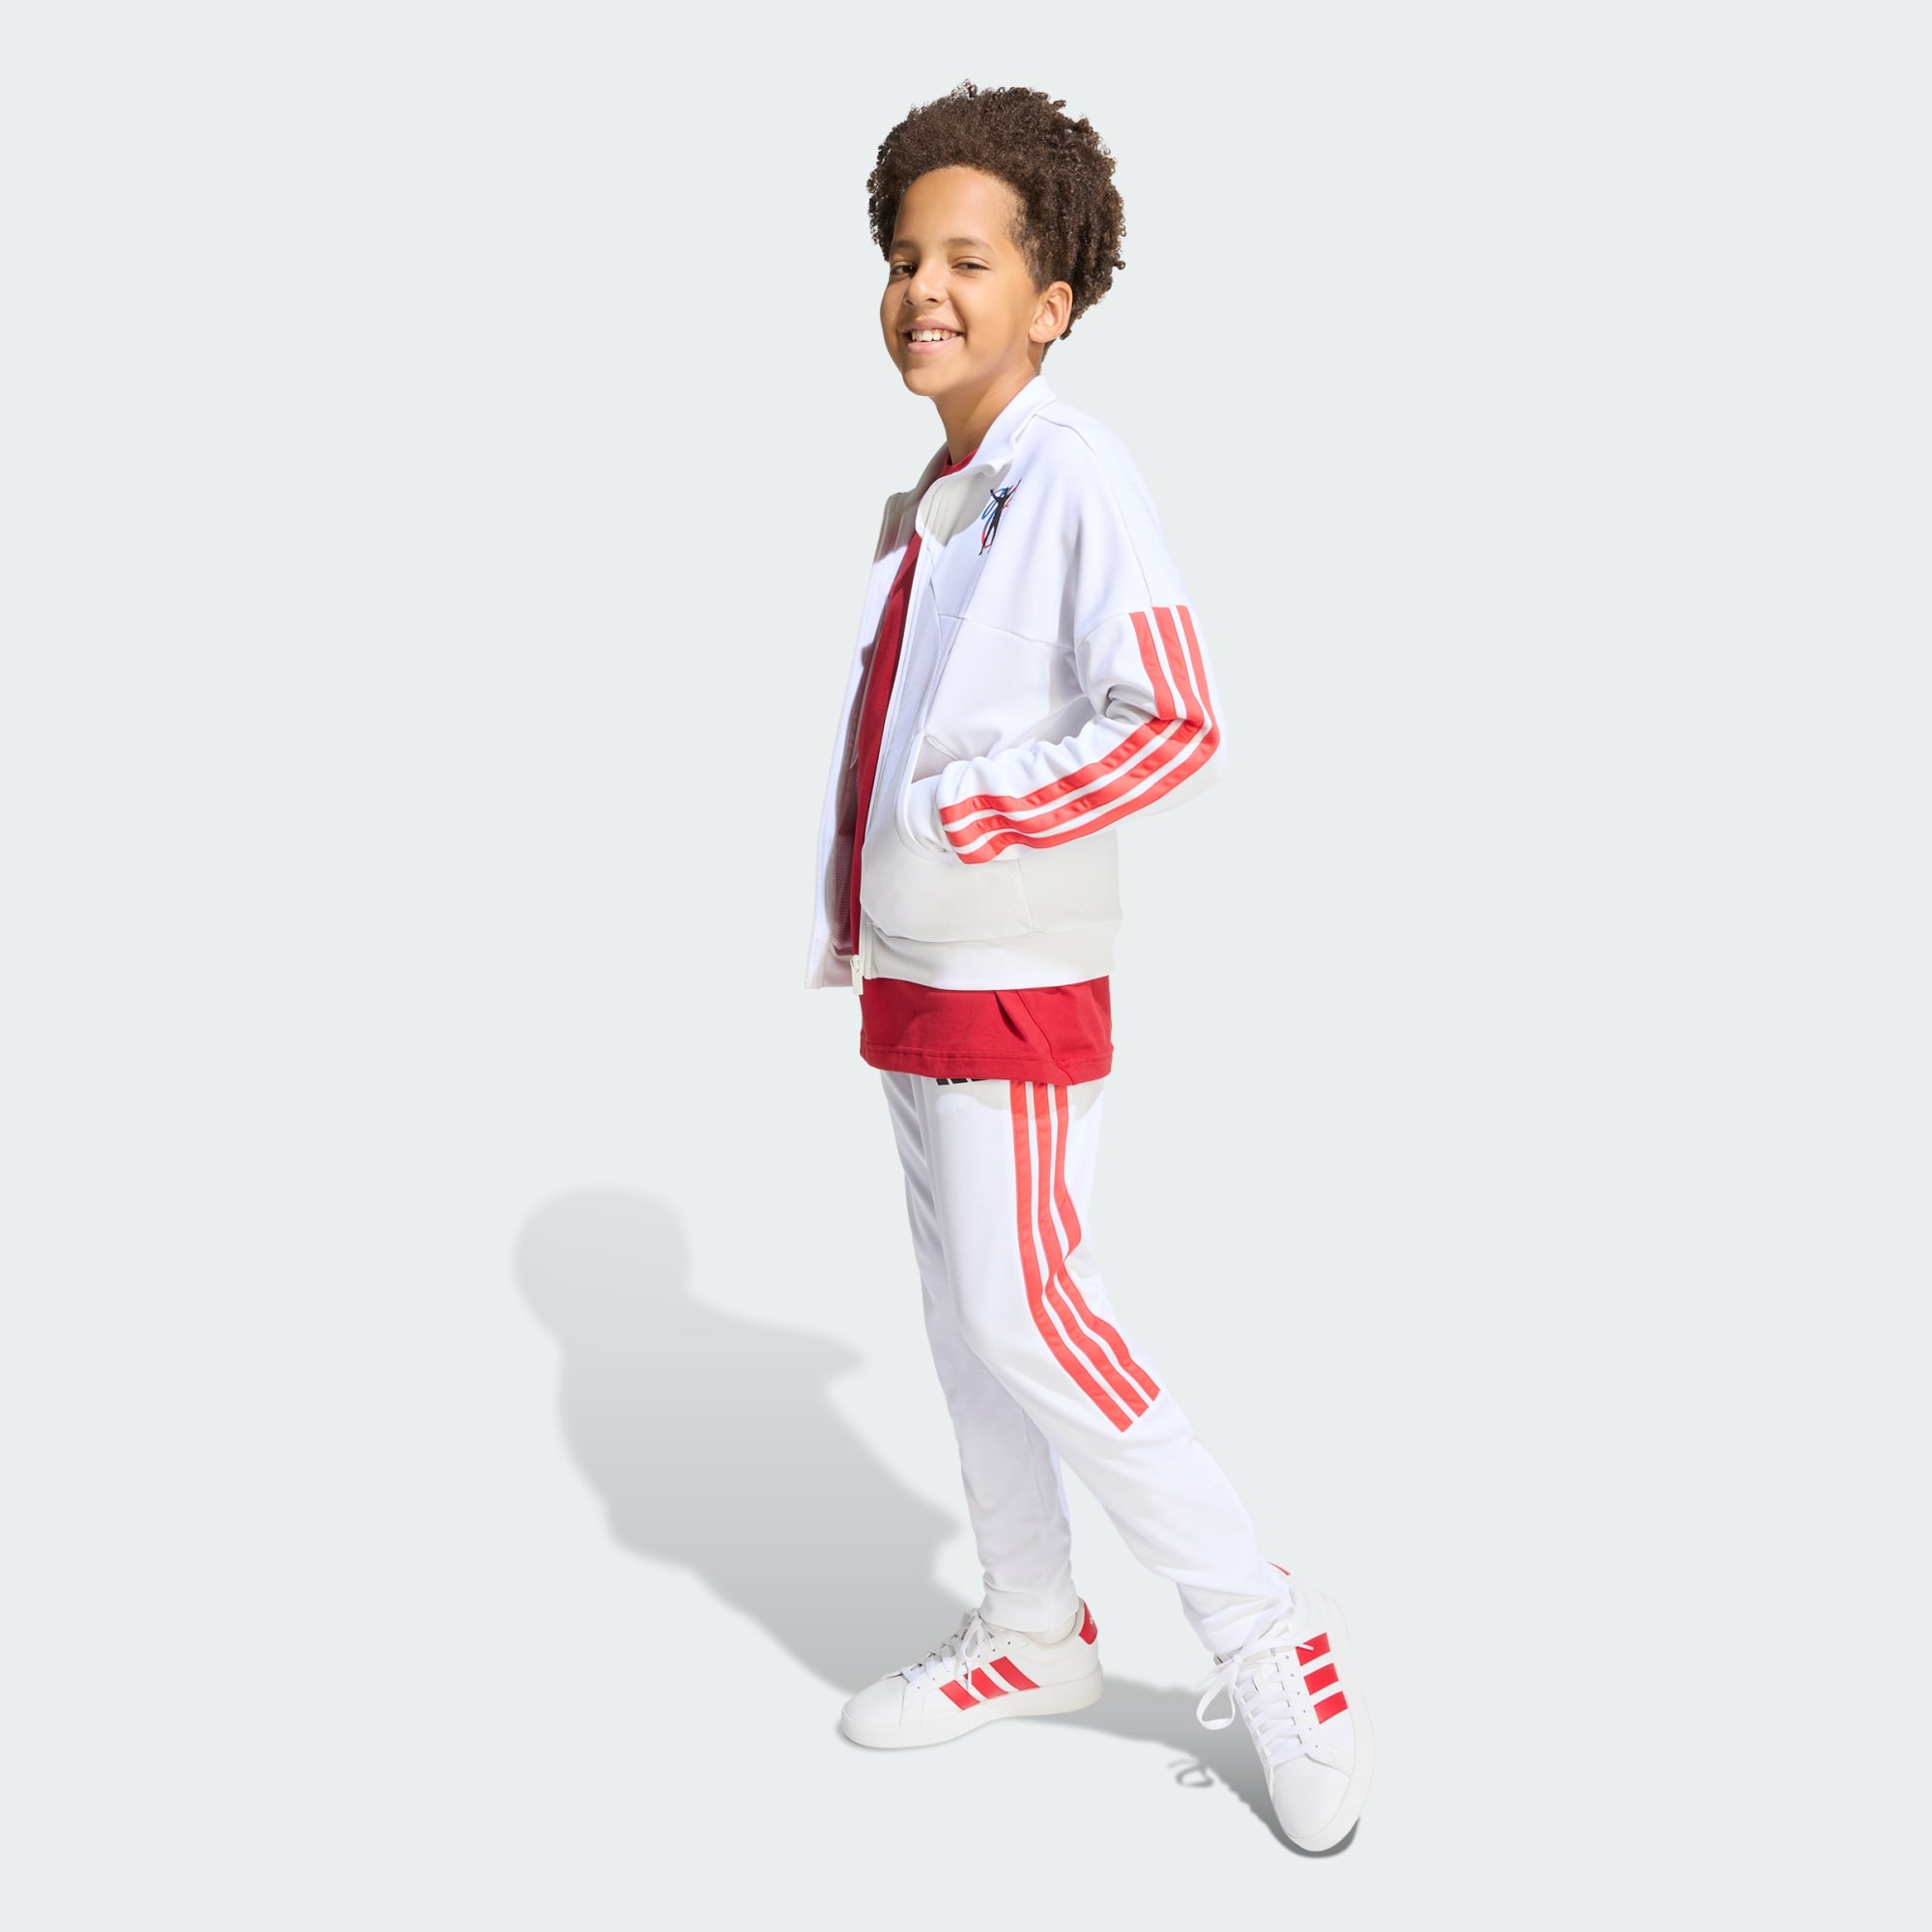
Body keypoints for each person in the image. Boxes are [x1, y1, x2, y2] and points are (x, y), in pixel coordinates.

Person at [804, 80, 1374, 1853]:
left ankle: (1269, 1633)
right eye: (906, 256)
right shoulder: (936, 499)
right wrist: (871, 896)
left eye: (969, 260)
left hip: (1012, 970)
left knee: (1031, 1313)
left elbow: (1176, 715)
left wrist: (967, 815)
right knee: (964, 1322)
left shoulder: (1074, 474)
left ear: (1051, 300)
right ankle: (1033, 1627)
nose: (925, 288)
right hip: (916, 969)